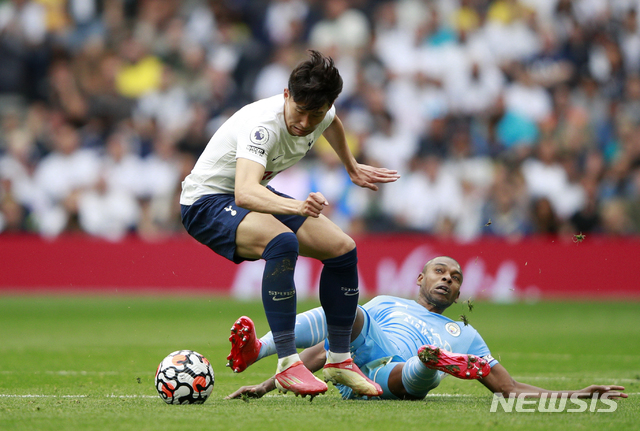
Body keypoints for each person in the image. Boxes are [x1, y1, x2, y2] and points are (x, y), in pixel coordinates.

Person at [180, 50, 400, 398]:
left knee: (342, 249)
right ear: (286, 95)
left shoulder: (322, 113)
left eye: (315, 114)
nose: (305, 123)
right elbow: (244, 193)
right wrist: (297, 206)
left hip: (252, 193)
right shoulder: (263, 127)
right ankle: (286, 364)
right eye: (299, 112)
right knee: (283, 242)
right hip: (206, 203)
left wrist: (351, 165)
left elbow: (333, 123)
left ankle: (340, 360)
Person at [225, 256, 628, 401]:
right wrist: (265, 386)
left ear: (457, 295)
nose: (448, 280)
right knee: (350, 312)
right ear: (419, 278)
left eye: (455, 278)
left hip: (392, 380)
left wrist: (580, 395)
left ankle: (429, 364)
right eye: (440, 271)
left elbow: (509, 390)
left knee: (421, 372)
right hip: (356, 366)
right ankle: (257, 351)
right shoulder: (386, 303)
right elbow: (323, 348)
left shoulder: (465, 334)